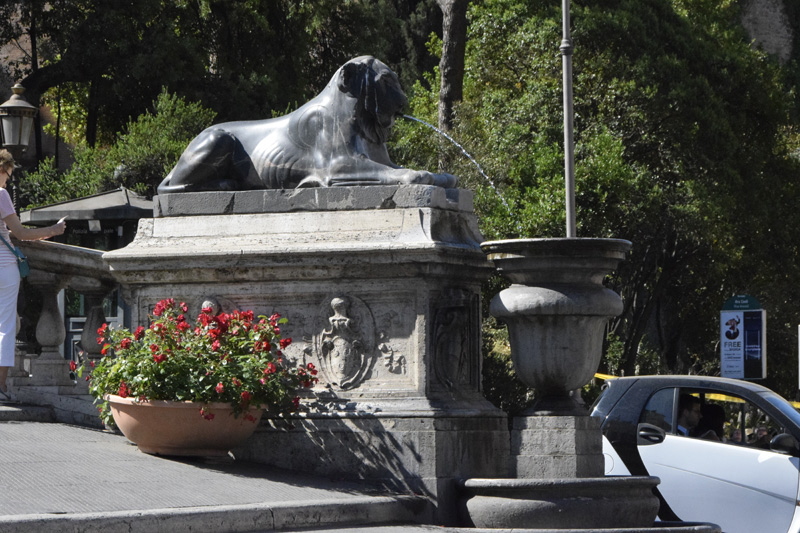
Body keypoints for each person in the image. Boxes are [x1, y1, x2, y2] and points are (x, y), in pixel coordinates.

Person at [0, 149, 65, 401]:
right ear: (2, 169)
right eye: (8, 175)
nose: (8, 180)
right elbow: (21, 234)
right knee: (4, 326)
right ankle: (1, 386)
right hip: (4, 266)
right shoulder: (1, 194)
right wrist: (55, 229)